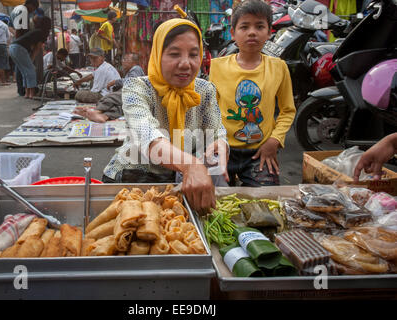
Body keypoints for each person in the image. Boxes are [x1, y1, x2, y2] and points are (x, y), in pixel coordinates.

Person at [102, 19, 229, 212]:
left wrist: (219, 146)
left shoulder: (204, 90)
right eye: (174, 54)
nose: (186, 64)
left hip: (178, 180)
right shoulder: (137, 88)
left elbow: (217, 132)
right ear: (157, 55)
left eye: (194, 54)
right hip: (134, 177)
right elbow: (148, 135)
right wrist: (190, 165)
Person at [209, 0, 296, 187]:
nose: (252, 32)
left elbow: (287, 110)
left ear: (269, 32)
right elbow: (210, 111)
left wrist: (274, 141)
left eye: (259, 26)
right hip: (224, 149)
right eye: (244, 26)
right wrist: (215, 142)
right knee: (213, 201)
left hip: (261, 152)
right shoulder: (217, 67)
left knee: (266, 203)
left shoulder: (278, 68)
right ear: (233, 33)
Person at [74, 52, 144, 122]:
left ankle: (97, 110)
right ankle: (104, 116)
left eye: (125, 59)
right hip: (134, 99)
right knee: (120, 107)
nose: (123, 62)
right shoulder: (102, 68)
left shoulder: (136, 68)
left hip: (134, 94)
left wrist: (115, 82)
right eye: (91, 59)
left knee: (112, 97)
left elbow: (132, 82)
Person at [9, 16, 51, 99]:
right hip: (19, 48)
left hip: (12, 47)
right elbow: (37, 49)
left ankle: (27, 93)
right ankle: (31, 93)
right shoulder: (42, 33)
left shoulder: (36, 31)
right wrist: (31, 60)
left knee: (25, 71)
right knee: (31, 70)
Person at [10, 0, 39, 96]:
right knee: (29, 69)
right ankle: (29, 92)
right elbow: (19, 29)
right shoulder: (23, 10)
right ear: (31, 5)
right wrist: (21, 42)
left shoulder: (17, 9)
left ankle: (25, 92)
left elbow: (12, 27)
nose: (33, 11)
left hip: (16, 44)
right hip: (20, 45)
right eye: (34, 8)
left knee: (23, 70)